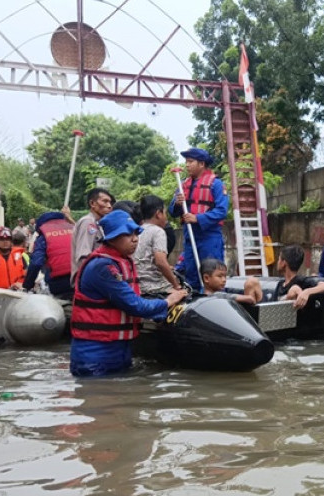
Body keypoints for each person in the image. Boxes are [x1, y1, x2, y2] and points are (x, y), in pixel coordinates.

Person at [70, 210, 188, 377]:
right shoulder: (102, 267)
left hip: (118, 351)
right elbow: (135, 305)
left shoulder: (123, 261)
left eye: (135, 233)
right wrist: (169, 301)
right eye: (127, 234)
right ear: (111, 238)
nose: (134, 239)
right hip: (94, 354)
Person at [168, 147, 229, 292]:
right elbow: (172, 212)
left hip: (209, 236)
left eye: (191, 161)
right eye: (186, 162)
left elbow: (222, 211)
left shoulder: (216, 184)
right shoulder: (183, 185)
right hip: (190, 236)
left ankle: (215, 303)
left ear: (201, 164)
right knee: (192, 274)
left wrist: (198, 218)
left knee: (212, 273)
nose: (187, 165)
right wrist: (177, 203)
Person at [134, 195, 182, 296]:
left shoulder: (137, 231)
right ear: (158, 214)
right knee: (185, 292)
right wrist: (175, 285)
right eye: (164, 213)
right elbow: (160, 262)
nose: (166, 217)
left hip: (136, 285)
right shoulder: (158, 231)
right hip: (154, 286)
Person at [22, 211, 74, 299]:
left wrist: (27, 285)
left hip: (60, 282)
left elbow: (36, 263)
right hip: (83, 278)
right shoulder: (73, 228)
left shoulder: (43, 236)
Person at [71, 187, 115, 284]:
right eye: (105, 201)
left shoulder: (98, 224)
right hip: (89, 282)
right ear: (92, 204)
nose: (109, 206)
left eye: (110, 202)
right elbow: (84, 257)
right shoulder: (88, 223)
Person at [274, 245, 324, 309]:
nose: (278, 262)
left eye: (279, 259)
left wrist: (306, 292)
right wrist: (288, 298)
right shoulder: (280, 284)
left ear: (284, 263)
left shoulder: (302, 281)